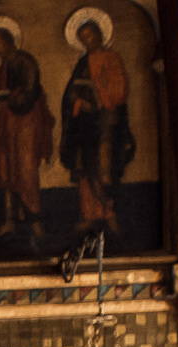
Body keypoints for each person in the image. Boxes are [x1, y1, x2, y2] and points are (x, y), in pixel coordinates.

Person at [0, 23, 52, 242]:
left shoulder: (25, 61)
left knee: (25, 171)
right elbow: (3, 95)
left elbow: (29, 92)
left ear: (9, 40)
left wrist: (2, 100)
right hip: (8, 124)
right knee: (6, 171)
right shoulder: (3, 67)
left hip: (26, 122)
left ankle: (35, 220)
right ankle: (10, 219)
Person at [59, 17, 134, 240]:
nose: (88, 40)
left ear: (100, 34)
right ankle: (90, 214)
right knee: (84, 168)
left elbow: (120, 89)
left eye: (90, 35)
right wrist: (81, 101)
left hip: (107, 122)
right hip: (84, 124)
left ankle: (109, 212)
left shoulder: (112, 58)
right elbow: (71, 92)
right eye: (83, 38)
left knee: (105, 167)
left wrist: (100, 93)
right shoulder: (83, 63)